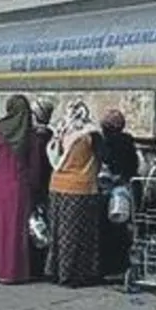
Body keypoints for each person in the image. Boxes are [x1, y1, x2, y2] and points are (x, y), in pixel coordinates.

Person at [0, 94, 36, 284]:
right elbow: (34, 165)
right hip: (17, 184)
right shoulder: (29, 133)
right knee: (13, 229)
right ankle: (10, 272)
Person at [44, 100, 104, 287]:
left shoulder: (61, 131)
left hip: (56, 186)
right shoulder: (91, 134)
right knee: (77, 234)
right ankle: (74, 275)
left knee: (57, 232)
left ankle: (55, 271)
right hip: (80, 188)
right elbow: (103, 157)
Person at [97, 109, 139, 278]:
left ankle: (106, 267)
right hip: (123, 191)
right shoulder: (128, 141)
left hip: (107, 191)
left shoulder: (105, 142)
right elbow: (133, 166)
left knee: (105, 230)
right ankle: (121, 267)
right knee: (121, 230)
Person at [28, 99, 56, 278]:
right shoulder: (51, 135)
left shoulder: (36, 139)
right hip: (50, 184)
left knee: (36, 226)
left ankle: (36, 266)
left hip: (39, 187)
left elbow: (37, 167)